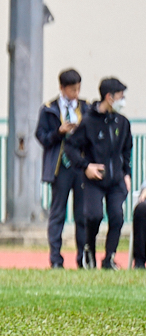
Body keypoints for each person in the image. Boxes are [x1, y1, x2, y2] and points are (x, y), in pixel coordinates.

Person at [65, 76, 131, 270]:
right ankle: (89, 250)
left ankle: (109, 258)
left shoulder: (122, 123)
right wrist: (86, 166)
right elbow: (71, 146)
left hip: (116, 180)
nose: (122, 100)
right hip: (95, 180)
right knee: (94, 216)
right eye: (120, 96)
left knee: (117, 216)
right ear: (109, 97)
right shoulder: (89, 122)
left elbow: (127, 150)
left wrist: (126, 173)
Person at [36, 69, 87, 268]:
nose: (76, 93)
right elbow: (41, 136)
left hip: (80, 166)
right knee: (57, 213)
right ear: (62, 88)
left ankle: (83, 257)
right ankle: (56, 258)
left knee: (82, 214)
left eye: (78, 89)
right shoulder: (49, 109)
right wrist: (59, 132)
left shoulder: (85, 108)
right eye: (72, 89)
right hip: (60, 167)